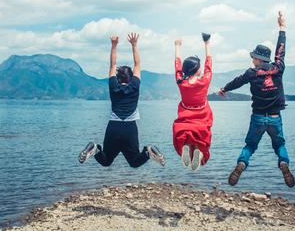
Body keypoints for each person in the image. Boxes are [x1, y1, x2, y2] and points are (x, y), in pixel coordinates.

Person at [217, 12, 295, 188]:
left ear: (259, 59)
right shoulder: (278, 68)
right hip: (275, 118)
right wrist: (282, 27)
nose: (252, 59)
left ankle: (242, 164)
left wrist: (224, 89)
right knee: (279, 145)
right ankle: (283, 163)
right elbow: (281, 50)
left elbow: (237, 82)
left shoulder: (251, 73)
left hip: (258, 117)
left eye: (253, 57)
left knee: (250, 146)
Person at [78, 33, 165, 168]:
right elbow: (137, 63)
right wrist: (134, 44)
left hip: (114, 127)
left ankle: (95, 149)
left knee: (106, 160)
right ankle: (148, 152)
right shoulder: (135, 86)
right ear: (131, 78)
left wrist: (114, 45)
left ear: (118, 78)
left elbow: (112, 65)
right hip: (130, 128)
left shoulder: (113, 87)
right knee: (135, 162)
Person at [173, 33, 214, 171]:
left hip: (186, 113)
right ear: (197, 70)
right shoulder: (204, 81)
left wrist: (177, 46)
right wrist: (207, 43)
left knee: (186, 135)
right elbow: (209, 63)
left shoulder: (181, 82)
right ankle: (198, 150)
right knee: (201, 138)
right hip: (202, 114)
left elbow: (177, 65)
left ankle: (187, 147)